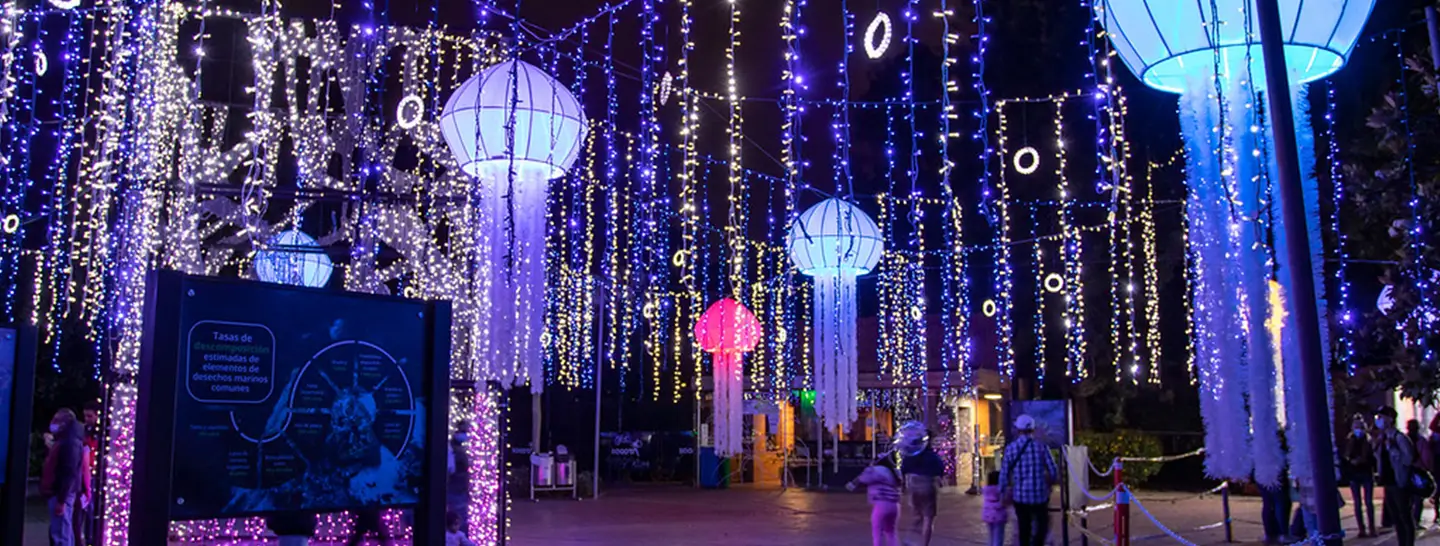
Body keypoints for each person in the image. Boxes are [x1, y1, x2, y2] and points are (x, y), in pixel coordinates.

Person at [1000, 415, 1057, 546]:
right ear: (1033, 430)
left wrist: (1002, 491)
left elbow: (1004, 473)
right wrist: (1050, 484)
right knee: (1042, 524)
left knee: (1023, 528)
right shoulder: (1041, 447)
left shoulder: (1011, 448)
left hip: (1020, 497)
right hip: (1040, 496)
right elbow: (1053, 470)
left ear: (1018, 430)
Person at [41, 409, 84, 546]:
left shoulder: (70, 443)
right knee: (62, 530)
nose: (53, 424)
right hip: (60, 492)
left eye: (56, 421)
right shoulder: (67, 440)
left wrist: (61, 499)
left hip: (61, 493)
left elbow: (68, 472)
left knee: (61, 533)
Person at [897, 423, 943, 546]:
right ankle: (924, 543)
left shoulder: (911, 455)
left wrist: (902, 487)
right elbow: (939, 471)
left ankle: (909, 537)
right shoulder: (932, 456)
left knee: (917, 515)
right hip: (927, 485)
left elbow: (903, 470)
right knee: (928, 517)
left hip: (913, 485)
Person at [1377, 406, 1417, 546]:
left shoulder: (1399, 438)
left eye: (1381, 417)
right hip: (1388, 482)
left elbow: (1408, 459)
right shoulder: (1382, 438)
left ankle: (1408, 543)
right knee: (1396, 518)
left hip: (1400, 482)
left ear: (1390, 419)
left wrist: (1392, 449)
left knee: (1404, 515)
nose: (1379, 421)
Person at [847, 453, 903, 546]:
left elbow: (863, 479)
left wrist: (869, 468)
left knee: (877, 533)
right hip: (895, 505)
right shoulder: (895, 472)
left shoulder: (875, 470)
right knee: (891, 532)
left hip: (881, 504)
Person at [1344, 415, 1377, 537]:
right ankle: (1361, 529)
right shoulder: (1349, 440)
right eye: (1356, 426)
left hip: (1366, 472)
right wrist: (1352, 461)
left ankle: (1372, 528)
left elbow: (1372, 457)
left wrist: (1362, 460)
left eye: (1360, 426)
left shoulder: (1369, 441)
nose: (1358, 429)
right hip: (1354, 474)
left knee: (1368, 502)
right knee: (1357, 502)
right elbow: (1346, 456)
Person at [75, 400, 100, 546]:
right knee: (82, 509)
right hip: (85, 472)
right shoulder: (84, 431)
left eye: (90, 416)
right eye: (85, 416)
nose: (87, 420)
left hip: (94, 473)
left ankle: (91, 539)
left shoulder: (101, 433)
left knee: (91, 509)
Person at [448, 423, 473, 535]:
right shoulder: (453, 449)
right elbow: (451, 469)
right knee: (460, 520)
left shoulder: (457, 448)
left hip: (458, 490)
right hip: (456, 490)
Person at [982, 470, 1008, 546]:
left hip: (988, 515)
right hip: (999, 516)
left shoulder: (986, 489)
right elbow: (1005, 500)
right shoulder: (1000, 490)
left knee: (990, 536)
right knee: (998, 537)